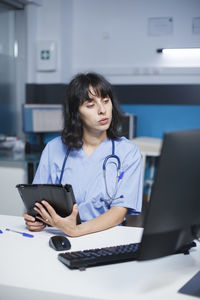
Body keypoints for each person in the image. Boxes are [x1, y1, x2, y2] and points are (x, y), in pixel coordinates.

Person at [23, 72, 143, 237]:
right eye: (90, 105)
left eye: (106, 101)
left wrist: (76, 230)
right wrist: (35, 220)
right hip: (59, 234)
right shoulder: (53, 149)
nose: (102, 110)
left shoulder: (128, 152)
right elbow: (38, 203)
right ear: (76, 112)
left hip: (106, 235)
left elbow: (119, 212)